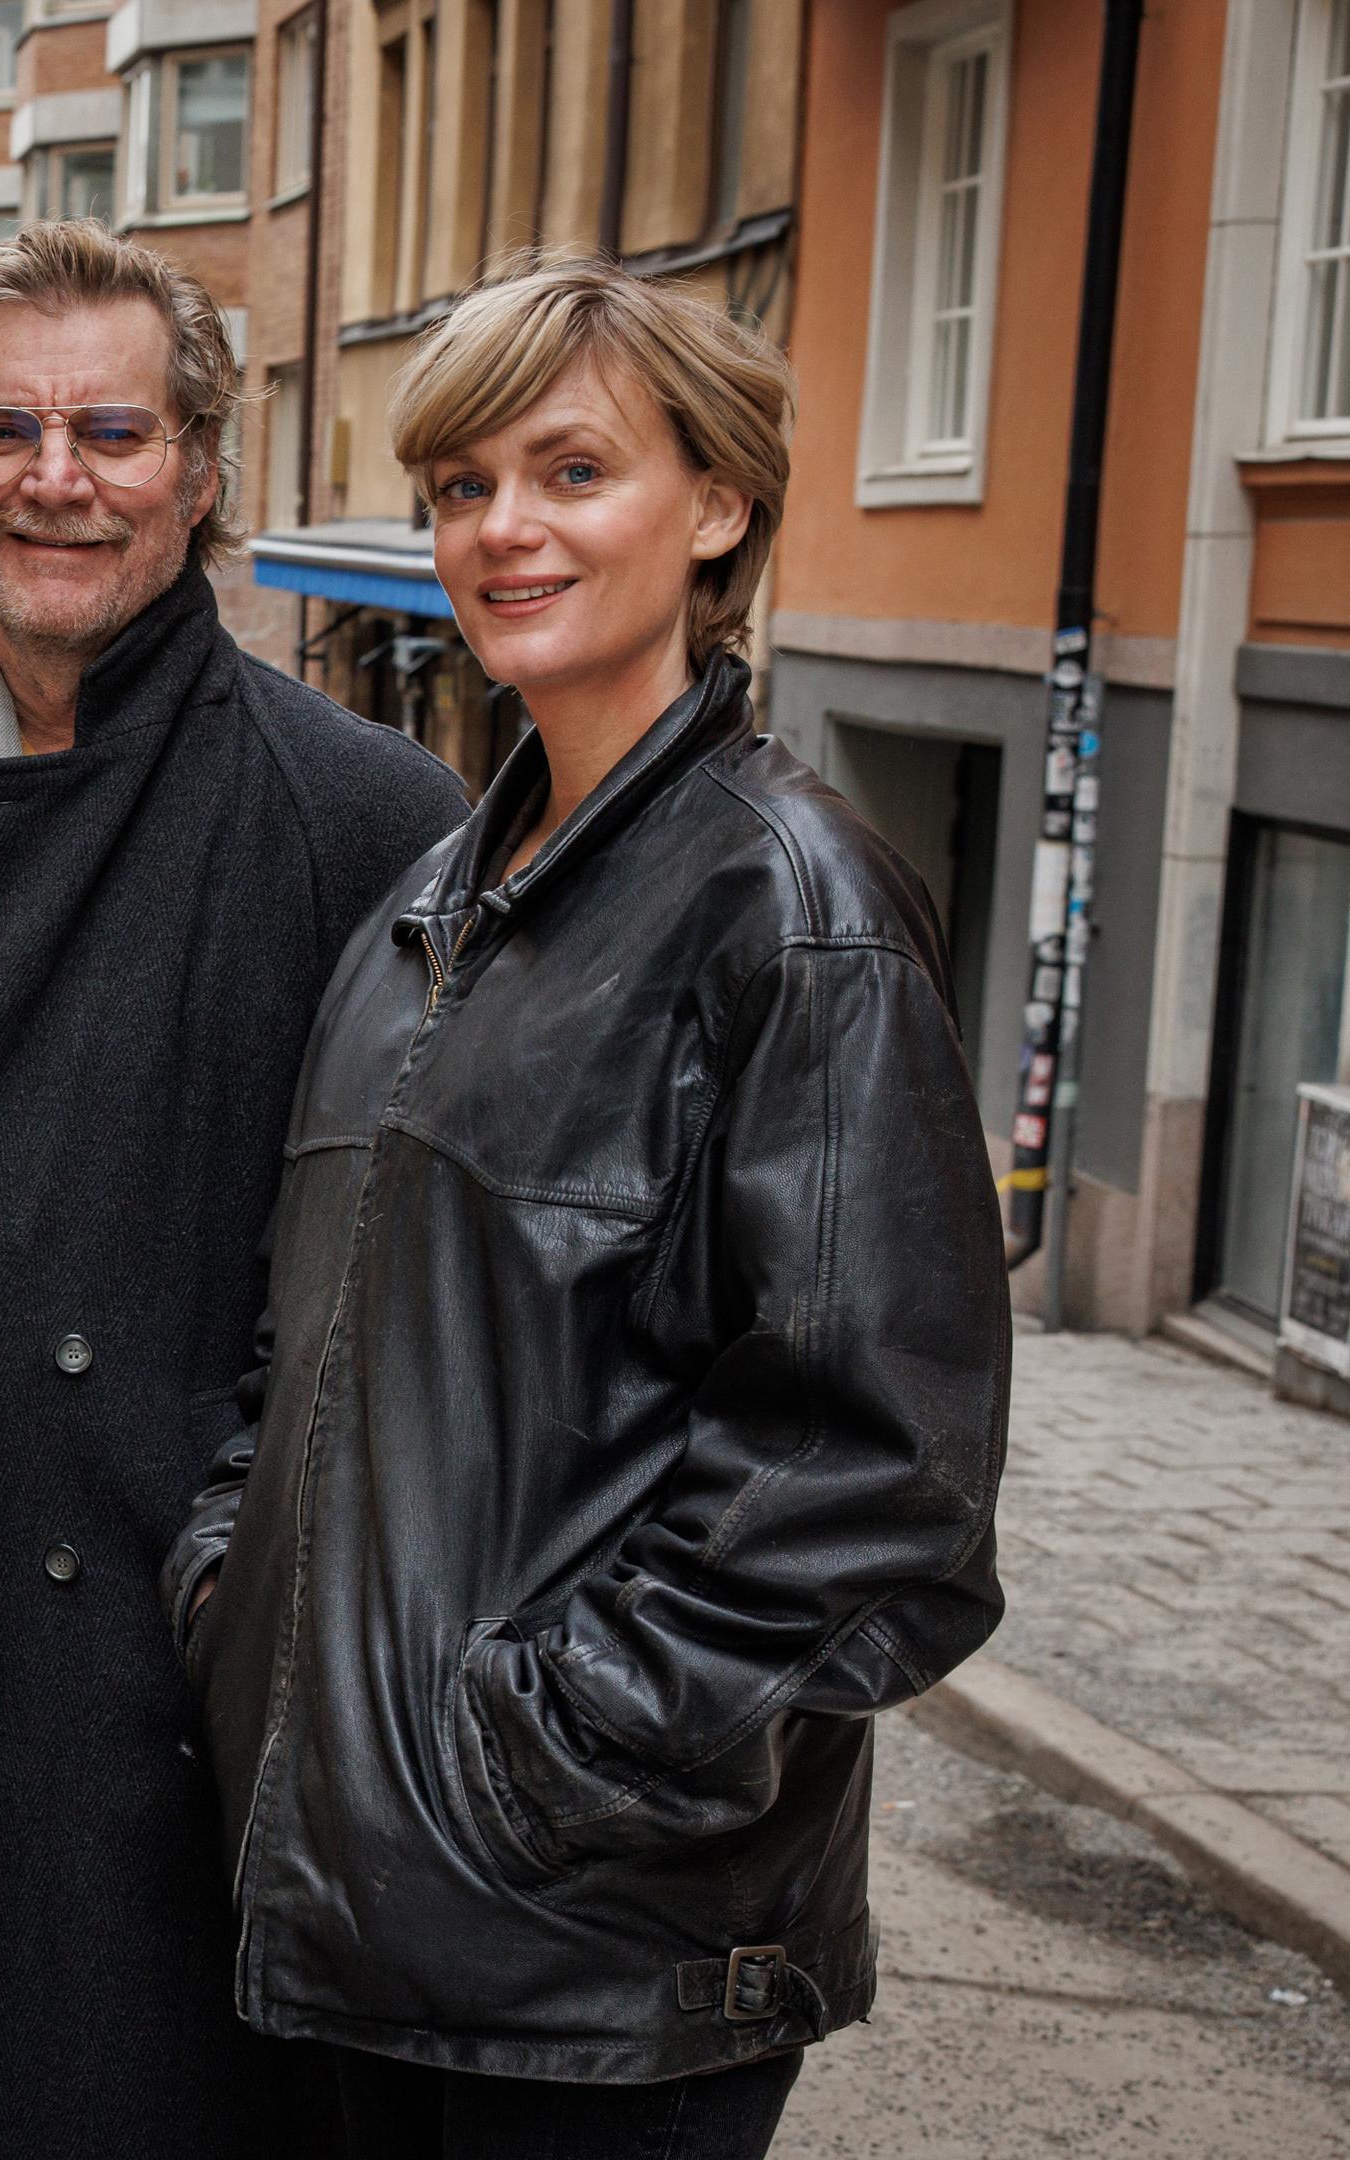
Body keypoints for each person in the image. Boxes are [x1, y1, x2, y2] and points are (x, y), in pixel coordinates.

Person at [169, 253, 1011, 2158]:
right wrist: (234, 1597)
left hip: (596, 1967)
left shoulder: (792, 908)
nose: (503, 531)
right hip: (362, 1911)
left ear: (714, 506)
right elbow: (299, 1334)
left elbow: (874, 1490)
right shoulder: (431, 909)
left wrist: (525, 1763)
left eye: (571, 472)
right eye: (464, 486)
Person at [0, 220, 467, 2152]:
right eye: (3, 432)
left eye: (115, 431)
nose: (55, 479)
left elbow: (416, 1323)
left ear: (205, 469)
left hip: (170, 1738)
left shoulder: (370, 824)